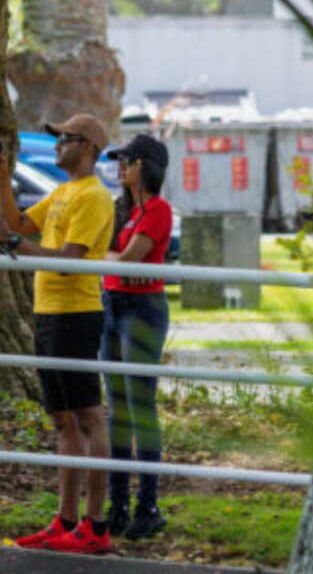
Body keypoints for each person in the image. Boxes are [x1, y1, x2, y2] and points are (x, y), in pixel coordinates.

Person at [0, 114, 118, 555]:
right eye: (58, 138)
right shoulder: (62, 192)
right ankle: (65, 520)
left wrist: (15, 244)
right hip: (48, 314)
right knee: (62, 420)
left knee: (88, 417)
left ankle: (96, 526)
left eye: (66, 138)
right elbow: (18, 224)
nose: (58, 144)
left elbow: (68, 260)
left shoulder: (95, 197)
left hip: (76, 314)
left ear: (90, 147)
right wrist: (0, 177)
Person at [99, 133, 174, 540]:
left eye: (125, 160)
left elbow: (127, 260)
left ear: (144, 165)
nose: (119, 167)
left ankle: (148, 505)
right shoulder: (121, 209)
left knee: (138, 405)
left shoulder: (159, 210)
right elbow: (115, 260)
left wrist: (106, 259)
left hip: (142, 310)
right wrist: (112, 260)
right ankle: (118, 507)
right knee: (117, 407)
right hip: (111, 304)